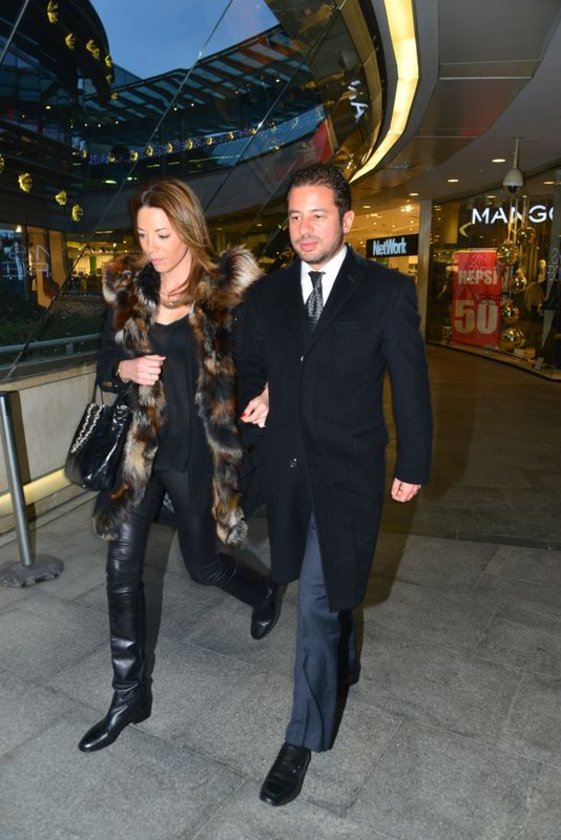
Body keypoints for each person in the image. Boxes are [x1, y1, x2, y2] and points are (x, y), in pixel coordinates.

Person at [238, 163, 432, 806]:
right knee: (328, 590)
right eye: (295, 216)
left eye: (317, 215)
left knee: (318, 601)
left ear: (346, 220)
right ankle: (342, 657)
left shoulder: (385, 292)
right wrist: (261, 394)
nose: (304, 228)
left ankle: (302, 738)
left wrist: (413, 463)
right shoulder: (267, 296)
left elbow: (409, 384)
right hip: (291, 469)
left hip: (350, 472)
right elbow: (250, 367)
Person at [78, 177, 278, 754]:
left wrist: (269, 393)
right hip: (141, 453)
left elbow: (268, 358)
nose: (152, 247)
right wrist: (125, 370)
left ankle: (263, 593)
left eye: (162, 235)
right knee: (121, 568)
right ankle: (128, 694)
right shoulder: (130, 290)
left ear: (189, 228)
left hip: (197, 457)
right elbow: (104, 361)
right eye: (143, 235)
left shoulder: (230, 293)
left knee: (203, 564)